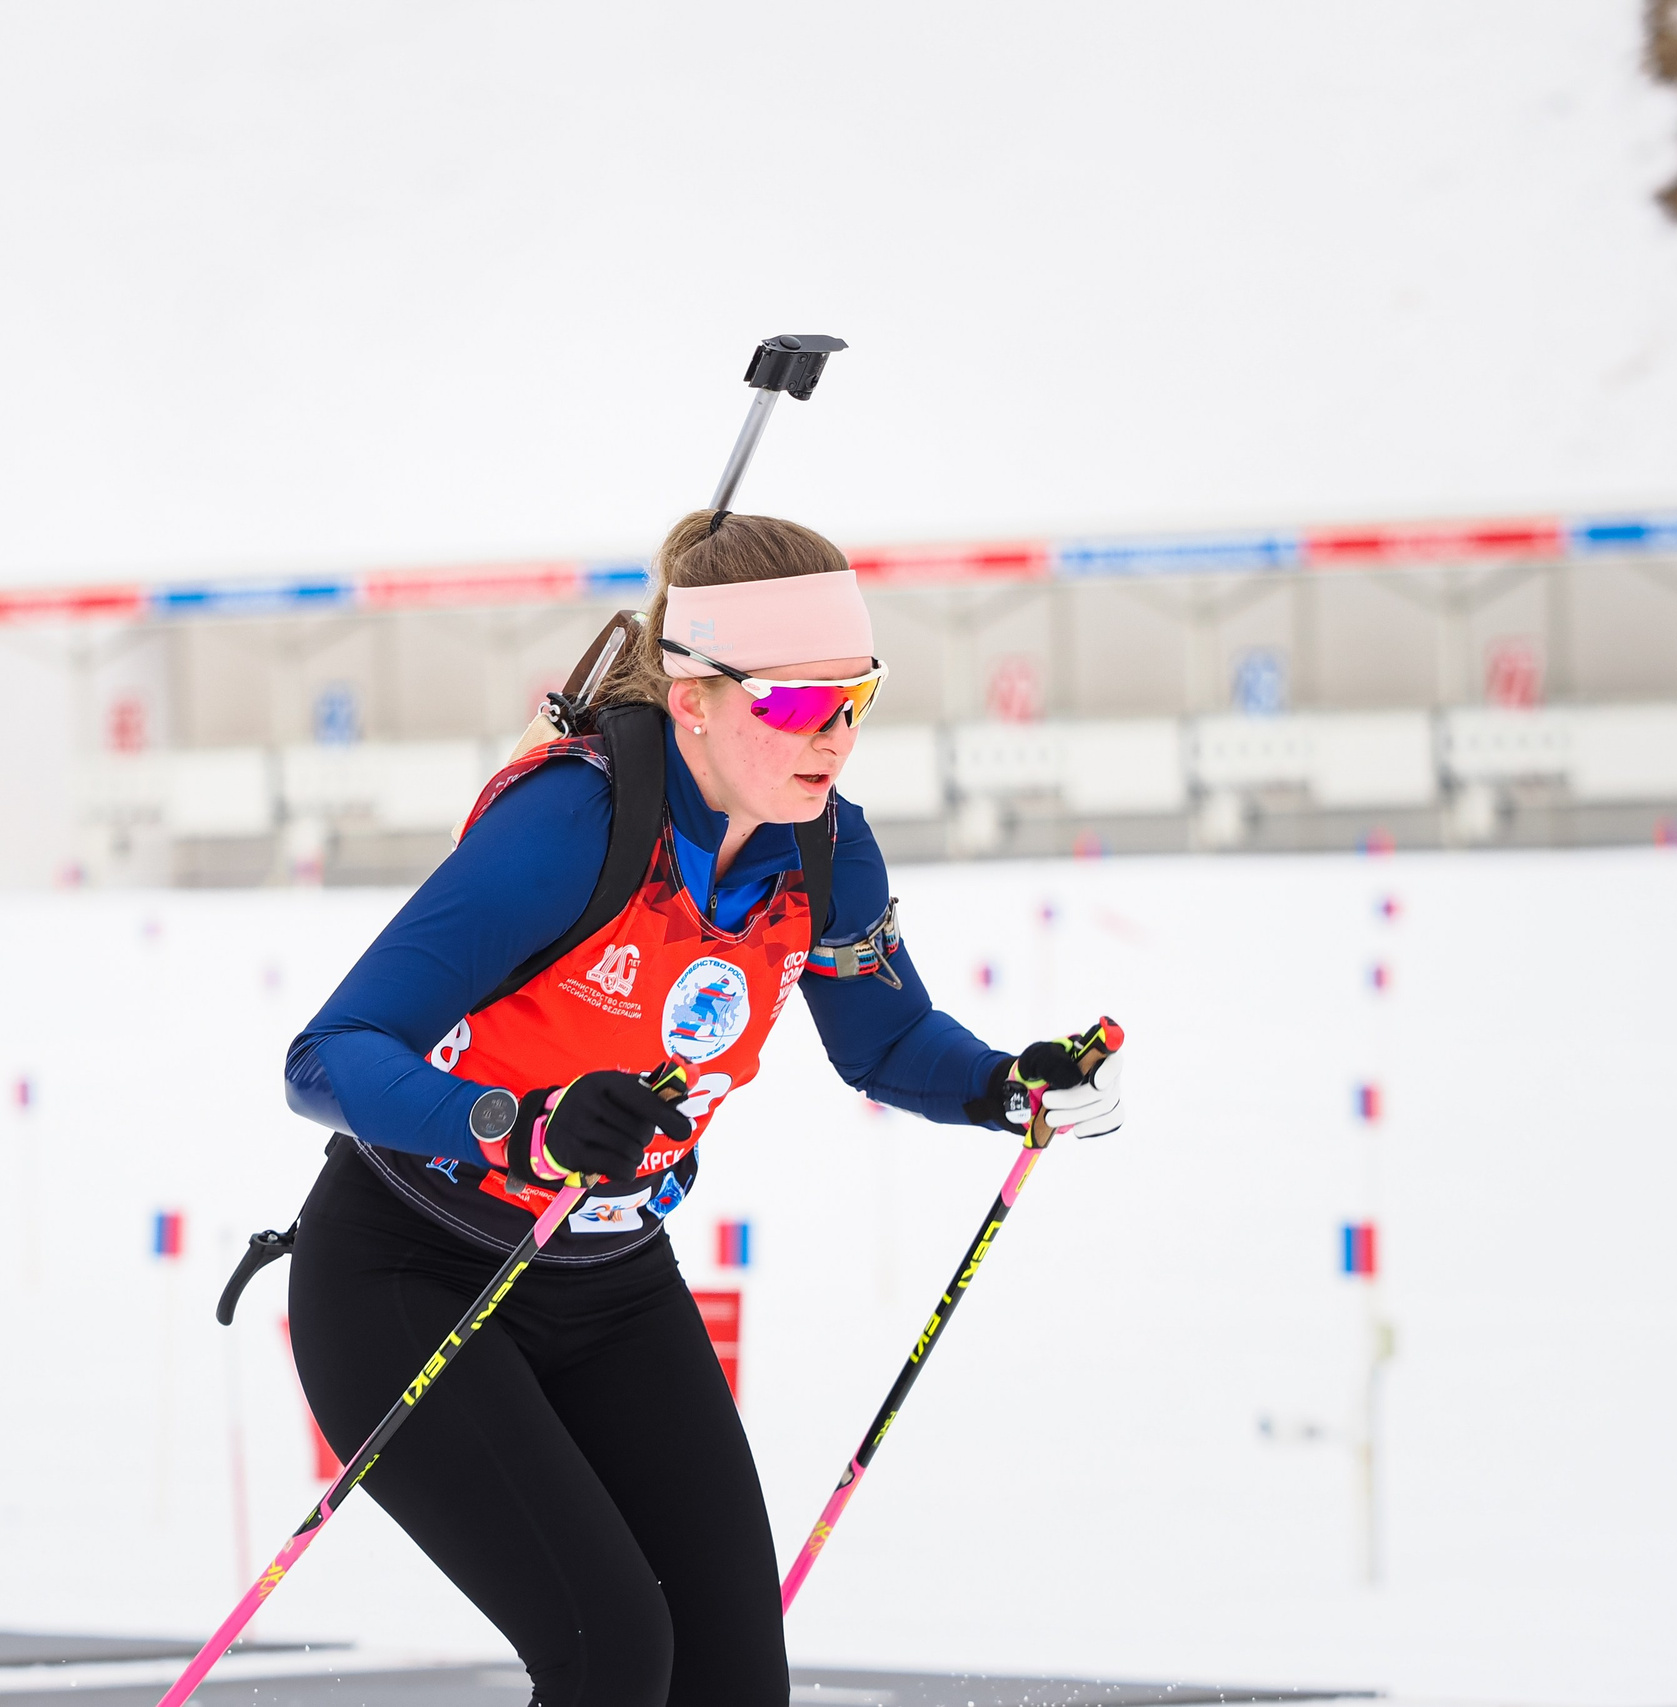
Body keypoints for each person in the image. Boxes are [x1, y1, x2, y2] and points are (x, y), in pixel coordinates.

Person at [281, 510, 1126, 1707]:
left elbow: (885, 1042)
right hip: (413, 1272)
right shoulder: (568, 828)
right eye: (793, 705)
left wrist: (1003, 1085)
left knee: (732, 1675)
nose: (833, 735)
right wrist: (515, 1122)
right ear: (693, 699)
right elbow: (328, 1055)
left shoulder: (826, 854)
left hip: (610, 1283)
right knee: (613, 1648)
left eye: (856, 699)